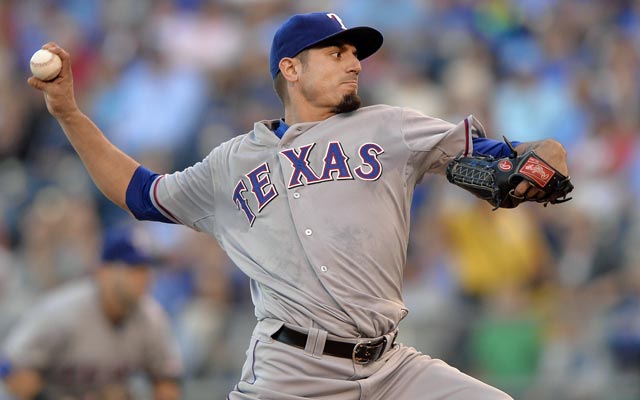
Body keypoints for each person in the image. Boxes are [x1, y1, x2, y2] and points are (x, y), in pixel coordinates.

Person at [27, 11, 571, 400]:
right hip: (291, 373)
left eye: (355, 54)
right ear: (291, 69)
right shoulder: (230, 163)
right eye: (337, 53)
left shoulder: (390, 126)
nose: (354, 64)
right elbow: (140, 193)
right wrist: (70, 114)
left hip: (390, 368)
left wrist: (544, 161)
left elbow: (514, 156)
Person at [0, 226, 183, 400]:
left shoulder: (151, 317)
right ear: (104, 271)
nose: (146, 277)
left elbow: (167, 380)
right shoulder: (63, 310)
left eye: (148, 269)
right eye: (135, 269)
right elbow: (9, 367)